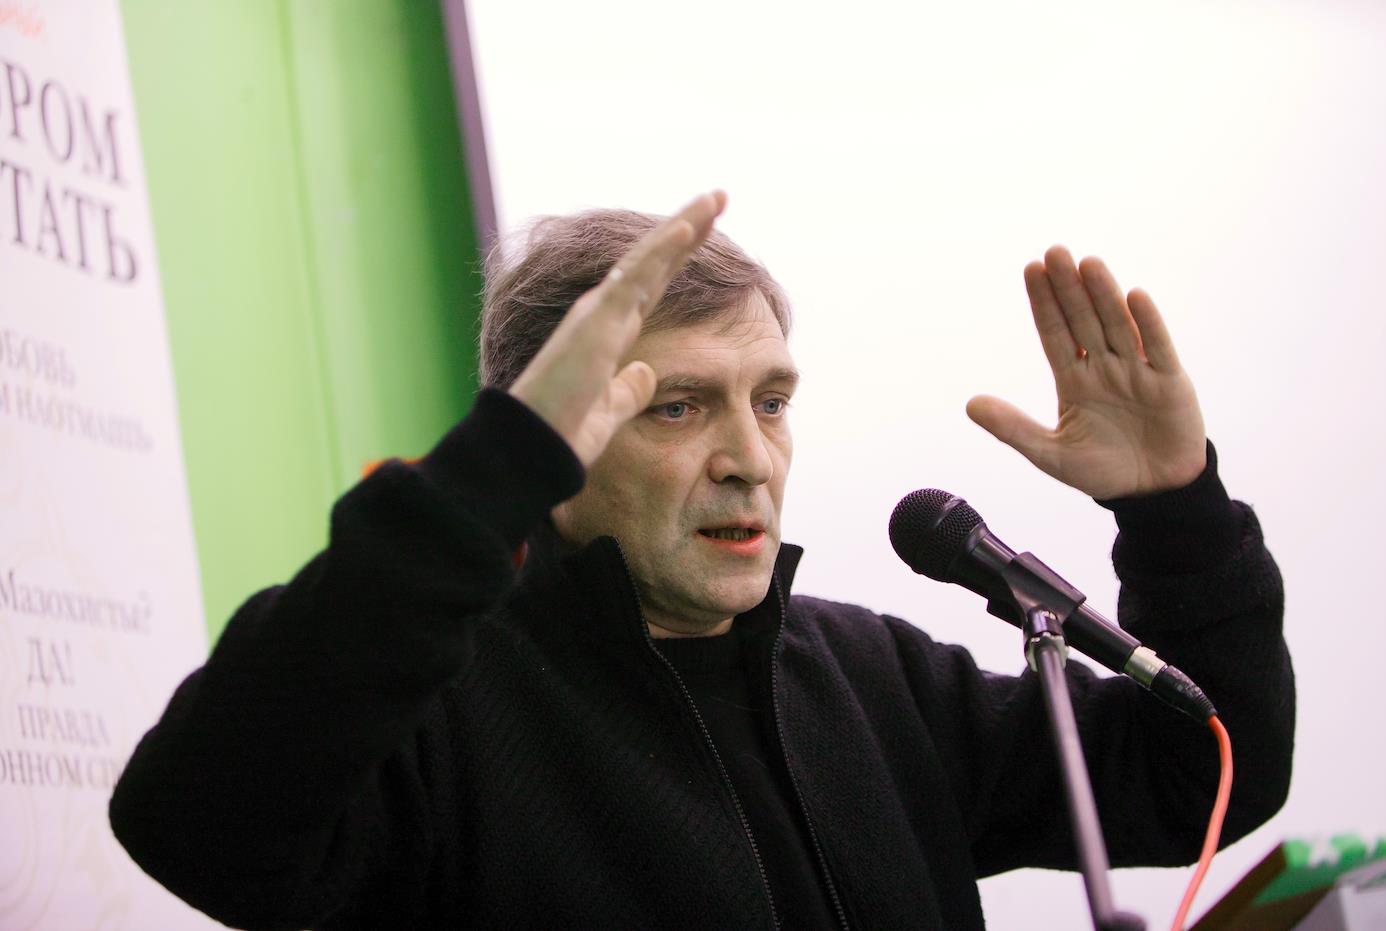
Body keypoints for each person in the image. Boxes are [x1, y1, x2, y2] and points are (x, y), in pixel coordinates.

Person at [110, 192, 1294, 929]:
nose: (749, 459)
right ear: (554, 439)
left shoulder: (873, 677)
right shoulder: (445, 716)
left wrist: (1173, 509)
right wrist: (486, 474)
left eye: (770, 401)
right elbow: (193, 823)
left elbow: (1202, 774)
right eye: (677, 407)